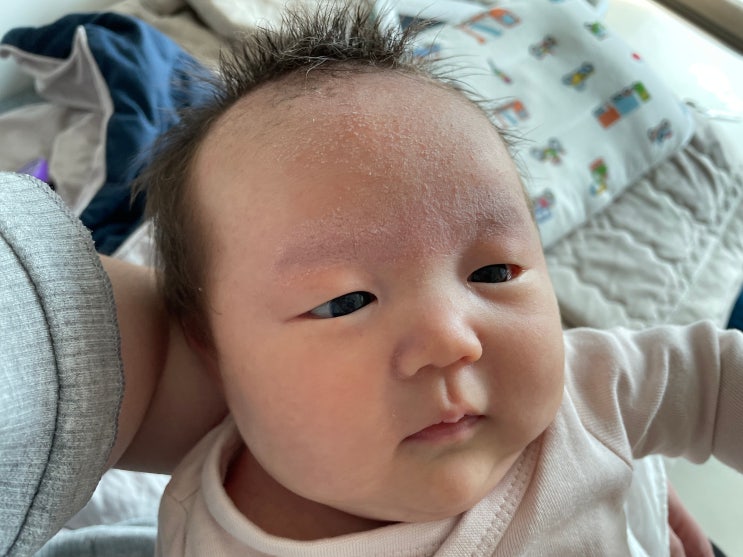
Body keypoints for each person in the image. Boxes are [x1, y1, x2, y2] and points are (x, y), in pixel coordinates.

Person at [97, 4, 742, 556]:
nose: (450, 340)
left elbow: (716, 377)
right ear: (211, 351)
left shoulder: (586, 394)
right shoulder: (208, 530)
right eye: (346, 302)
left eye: (494, 271)